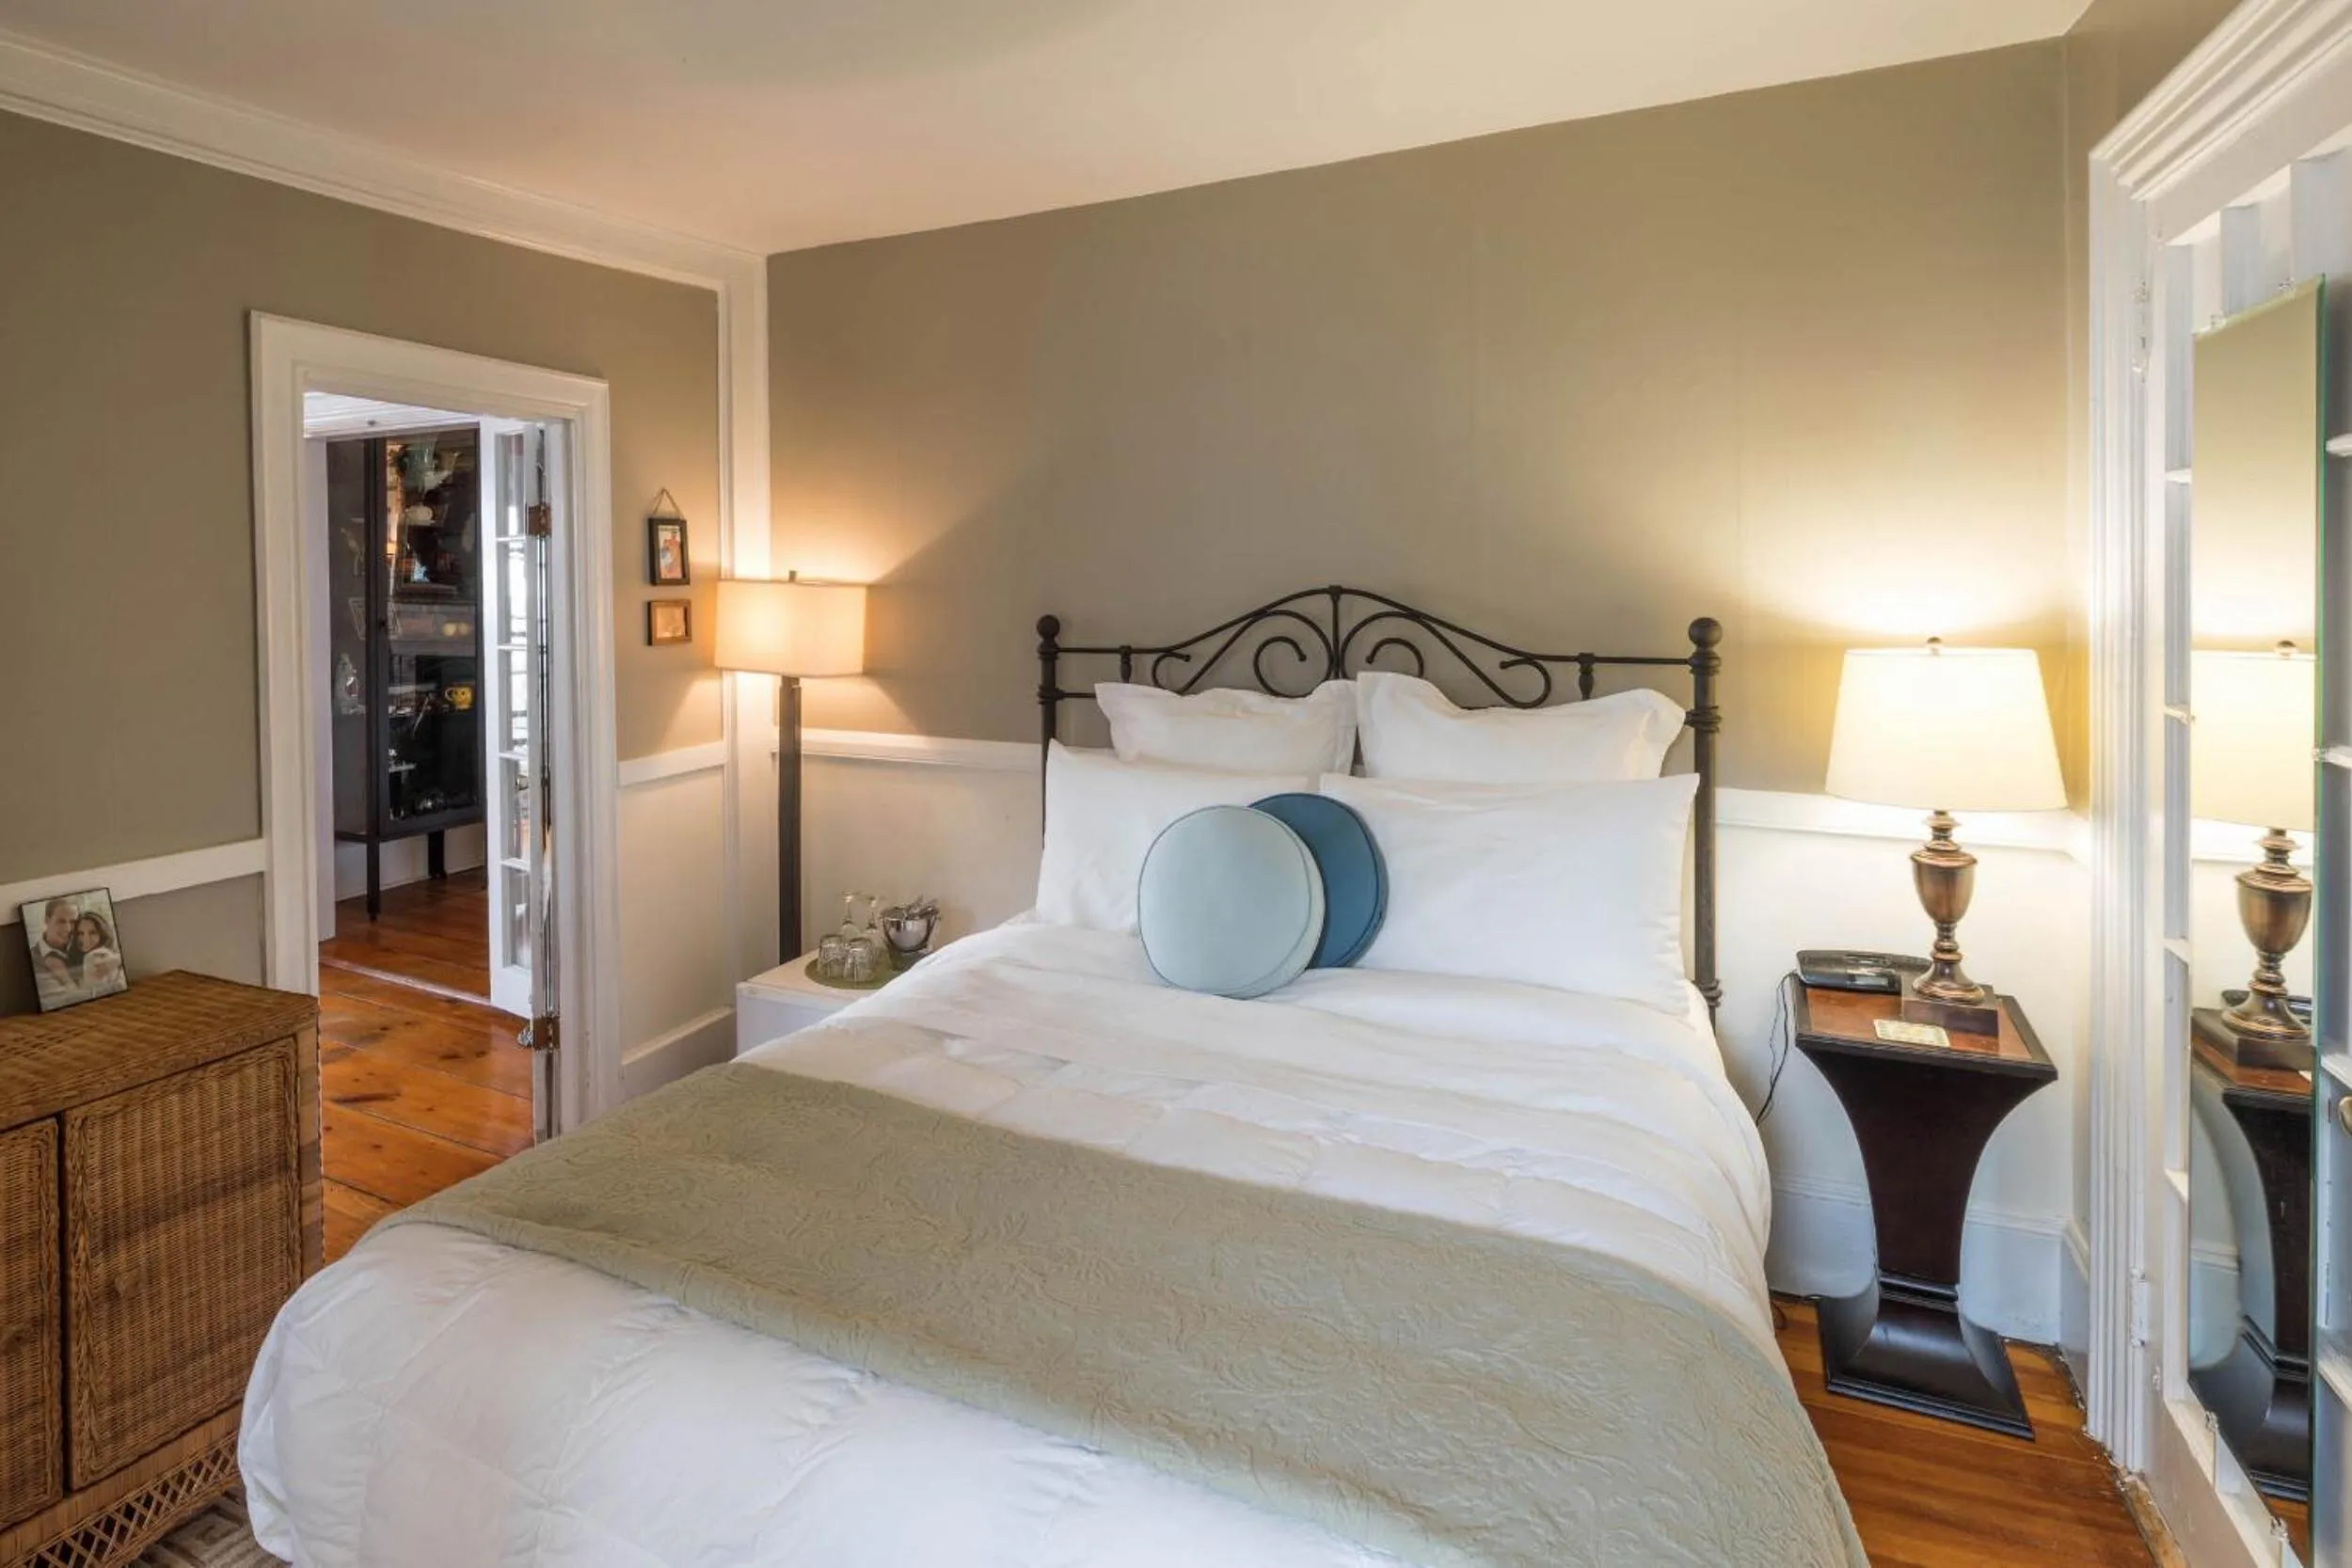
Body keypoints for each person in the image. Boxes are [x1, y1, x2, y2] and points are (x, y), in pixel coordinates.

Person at [30, 897, 78, 1002]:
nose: (68, 928)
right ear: (47, 920)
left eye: (73, 922)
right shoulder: (34, 960)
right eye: (61, 921)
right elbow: (61, 1001)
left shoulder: (82, 948)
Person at [74, 911, 124, 996]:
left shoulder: (94, 956)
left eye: (92, 932)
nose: (86, 939)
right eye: (81, 933)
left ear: (102, 933)